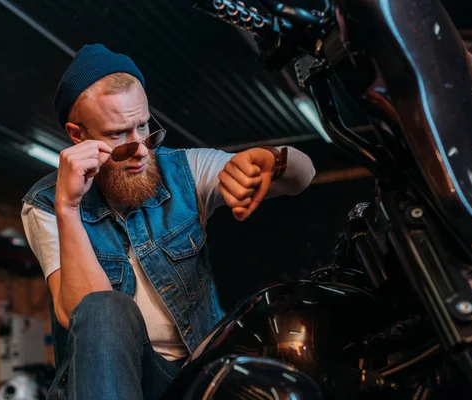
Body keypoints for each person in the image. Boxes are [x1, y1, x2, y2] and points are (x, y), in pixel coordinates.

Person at [21, 43, 316, 400]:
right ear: (77, 135)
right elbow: (82, 312)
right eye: (118, 136)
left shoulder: (183, 171)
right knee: (106, 308)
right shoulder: (45, 203)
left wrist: (274, 160)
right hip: (112, 382)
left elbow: (304, 176)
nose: (141, 150)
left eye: (144, 127)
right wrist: (68, 206)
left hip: (195, 376)